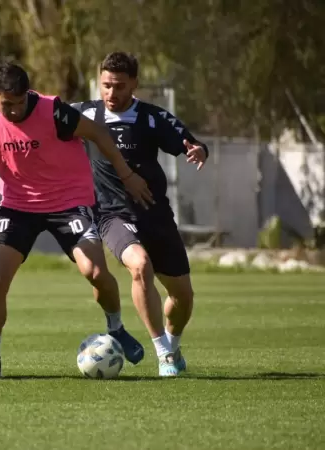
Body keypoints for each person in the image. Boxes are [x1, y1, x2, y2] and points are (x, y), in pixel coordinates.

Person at [0, 62, 153, 378]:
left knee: (96, 271)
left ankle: (115, 329)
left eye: (21, 103)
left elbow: (98, 134)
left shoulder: (53, 112)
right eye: (8, 104)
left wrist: (126, 175)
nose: (16, 111)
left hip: (69, 203)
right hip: (18, 207)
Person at [71, 51, 209, 377]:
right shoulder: (85, 114)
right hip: (112, 214)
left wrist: (198, 148)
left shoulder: (152, 117)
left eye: (119, 86)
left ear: (134, 83)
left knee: (182, 297)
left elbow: (188, 140)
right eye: (106, 85)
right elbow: (41, 116)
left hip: (156, 215)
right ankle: (162, 352)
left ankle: (173, 346)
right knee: (139, 265)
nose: (111, 93)